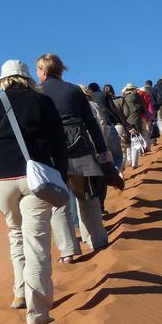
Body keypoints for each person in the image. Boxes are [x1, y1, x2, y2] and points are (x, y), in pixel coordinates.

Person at [0, 59, 68, 324]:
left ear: (3, 80)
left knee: (15, 233)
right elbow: (59, 143)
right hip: (36, 178)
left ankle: (20, 292)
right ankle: (38, 312)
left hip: (0, 181)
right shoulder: (42, 102)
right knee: (36, 241)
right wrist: (62, 176)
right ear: (27, 78)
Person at [36, 53, 111, 255]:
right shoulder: (73, 90)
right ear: (60, 69)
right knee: (87, 196)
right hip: (80, 148)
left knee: (58, 202)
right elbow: (91, 122)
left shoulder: (36, 92)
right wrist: (102, 150)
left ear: (43, 70)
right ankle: (98, 240)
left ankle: (68, 250)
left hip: (51, 154)